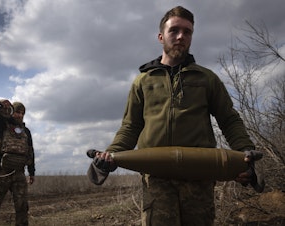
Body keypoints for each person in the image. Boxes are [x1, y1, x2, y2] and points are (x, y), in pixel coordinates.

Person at [92, 6, 260, 226]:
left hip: (199, 177)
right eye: (174, 30)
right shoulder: (143, 82)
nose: (181, 36)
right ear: (161, 36)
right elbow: (131, 126)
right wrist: (111, 155)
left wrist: (244, 155)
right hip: (157, 179)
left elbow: (229, 120)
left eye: (187, 32)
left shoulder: (207, 79)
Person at [0, 99, 35, 226]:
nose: (19, 115)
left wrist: (31, 172)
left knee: (22, 208)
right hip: (0, 172)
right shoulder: (0, 124)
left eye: (22, 113)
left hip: (19, 173)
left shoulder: (26, 132)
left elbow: (30, 151)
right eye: (17, 112)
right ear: (11, 112)